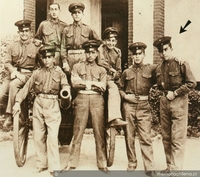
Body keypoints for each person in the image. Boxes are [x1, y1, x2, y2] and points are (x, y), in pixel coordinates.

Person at [13, 45, 71, 175]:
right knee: (38, 136)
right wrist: (17, 102)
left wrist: (66, 91)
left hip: (52, 105)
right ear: (42, 59)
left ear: (53, 58)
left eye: (49, 57)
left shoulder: (59, 72)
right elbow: (26, 88)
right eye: (44, 58)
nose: (47, 60)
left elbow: (65, 85)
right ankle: (42, 164)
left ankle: (54, 167)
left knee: (52, 137)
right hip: (38, 104)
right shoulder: (37, 73)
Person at [153, 36, 196, 171]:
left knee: (177, 138)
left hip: (178, 102)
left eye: (166, 49)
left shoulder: (181, 64)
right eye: (161, 51)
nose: (163, 53)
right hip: (164, 102)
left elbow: (191, 83)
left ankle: (176, 169)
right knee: (166, 137)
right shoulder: (159, 68)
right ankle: (169, 166)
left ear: (171, 49)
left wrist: (176, 93)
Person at [68, 40, 109, 172]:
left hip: (97, 101)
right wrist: (93, 84)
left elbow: (103, 86)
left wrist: (85, 83)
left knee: (99, 132)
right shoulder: (77, 67)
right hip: (81, 99)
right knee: (78, 132)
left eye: (93, 52)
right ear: (84, 53)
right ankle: (72, 163)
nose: (90, 55)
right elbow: (74, 83)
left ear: (97, 53)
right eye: (88, 52)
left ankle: (102, 163)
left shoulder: (102, 70)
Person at [119, 42, 157, 177]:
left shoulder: (151, 69)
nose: (136, 56)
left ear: (144, 55)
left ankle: (149, 166)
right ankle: (132, 162)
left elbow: (162, 74)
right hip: (129, 107)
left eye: (139, 53)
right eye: (134, 54)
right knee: (129, 136)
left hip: (144, 107)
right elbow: (120, 89)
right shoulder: (126, 72)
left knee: (145, 137)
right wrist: (126, 97)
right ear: (131, 56)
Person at [1, 20, 39, 129]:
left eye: (26, 31)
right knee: (1, 94)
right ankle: (9, 112)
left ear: (30, 32)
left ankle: (9, 116)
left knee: (13, 85)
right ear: (18, 33)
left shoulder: (36, 46)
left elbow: (40, 64)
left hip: (28, 75)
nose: (24, 34)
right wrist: (14, 72)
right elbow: (7, 62)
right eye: (21, 31)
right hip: (14, 74)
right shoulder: (12, 46)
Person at [98, 27, 127, 126]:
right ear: (105, 41)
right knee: (113, 87)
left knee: (121, 91)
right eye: (109, 40)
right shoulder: (100, 49)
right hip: (99, 78)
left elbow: (119, 70)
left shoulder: (117, 52)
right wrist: (110, 69)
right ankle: (115, 118)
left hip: (111, 79)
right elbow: (100, 61)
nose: (111, 43)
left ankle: (119, 118)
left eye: (113, 41)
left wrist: (115, 75)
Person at [61, 2, 101, 74]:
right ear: (71, 15)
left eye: (79, 12)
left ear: (83, 14)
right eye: (74, 13)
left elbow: (99, 42)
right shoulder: (66, 30)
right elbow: (63, 47)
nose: (76, 14)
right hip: (70, 58)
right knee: (70, 78)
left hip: (83, 57)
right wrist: (64, 62)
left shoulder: (88, 29)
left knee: (83, 77)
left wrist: (91, 54)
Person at [35, 2, 67, 67]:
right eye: (52, 9)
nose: (54, 12)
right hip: (47, 54)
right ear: (49, 11)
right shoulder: (43, 25)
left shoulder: (64, 26)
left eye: (56, 9)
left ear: (59, 11)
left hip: (60, 55)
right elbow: (36, 39)